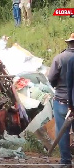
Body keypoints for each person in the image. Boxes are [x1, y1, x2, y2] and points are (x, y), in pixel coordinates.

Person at [49, 33, 74, 168]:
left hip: (62, 100)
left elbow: (51, 78)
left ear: (69, 43)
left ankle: (65, 161)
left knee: (62, 131)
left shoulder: (60, 58)